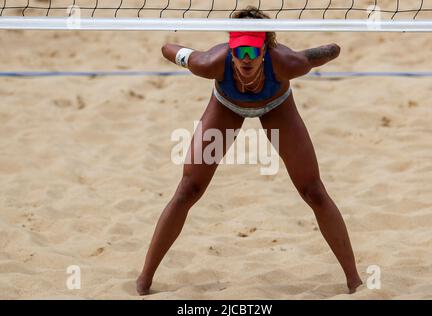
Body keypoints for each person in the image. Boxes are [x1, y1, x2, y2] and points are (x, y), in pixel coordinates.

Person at [137, 6, 363, 295]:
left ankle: (354, 279)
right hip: (226, 106)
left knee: (314, 191)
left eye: (253, 52)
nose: (246, 59)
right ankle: (144, 280)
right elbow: (169, 49)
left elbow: (331, 50)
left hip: (277, 107)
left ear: (265, 50)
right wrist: (177, 52)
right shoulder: (210, 63)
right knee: (188, 189)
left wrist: (326, 51)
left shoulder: (287, 62)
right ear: (231, 49)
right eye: (240, 51)